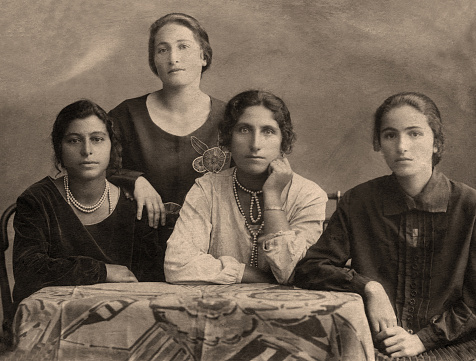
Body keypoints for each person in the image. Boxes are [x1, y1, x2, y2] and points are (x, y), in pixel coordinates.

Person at [294, 92, 476, 357]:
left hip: (453, 347)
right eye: (390, 135)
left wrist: (424, 340)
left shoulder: (470, 207)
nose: (401, 146)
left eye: (414, 134)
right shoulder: (359, 201)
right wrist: (369, 288)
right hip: (375, 348)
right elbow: (310, 269)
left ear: (436, 142)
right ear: (378, 143)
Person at [164, 90, 327, 285]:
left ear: (283, 142)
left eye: (268, 131)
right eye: (244, 130)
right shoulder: (207, 188)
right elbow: (177, 265)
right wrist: (251, 275)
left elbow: (291, 273)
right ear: (228, 138)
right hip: (217, 309)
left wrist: (273, 196)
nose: (255, 144)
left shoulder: (309, 195)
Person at [13, 100, 165, 305]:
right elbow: (28, 270)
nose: (87, 150)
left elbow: (152, 281)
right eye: (74, 140)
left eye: (97, 139)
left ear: (112, 147)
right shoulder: (38, 200)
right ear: (59, 149)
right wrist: (101, 271)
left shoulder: (133, 204)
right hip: (52, 321)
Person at [108, 13, 228, 242]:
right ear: (154, 61)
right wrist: (133, 180)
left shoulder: (229, 118)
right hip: (138, 246)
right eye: (162, 50)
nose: (173, 58)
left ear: (203, 56)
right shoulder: (126, 115)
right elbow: (91, 166)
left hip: (213, 246)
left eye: (183, 47)